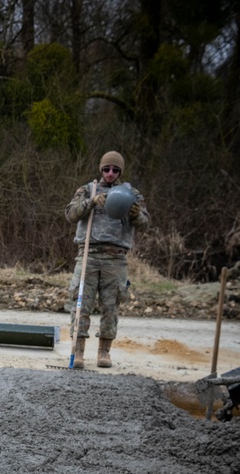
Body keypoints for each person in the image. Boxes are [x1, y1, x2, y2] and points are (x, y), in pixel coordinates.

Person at [64, 151, 151, 369]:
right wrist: (91, 202)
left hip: (115, 257)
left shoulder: (132, 194)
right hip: (88, 255)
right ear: (101, 169)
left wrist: (135, 214)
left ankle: (104, 351)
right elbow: (70, 214)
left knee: (111, 306)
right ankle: (79, 350)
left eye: (115, 170)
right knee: (81, 303)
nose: (110, 173)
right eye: (106, 169)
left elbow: (145, 224)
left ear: (120, 171)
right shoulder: (87, 189)